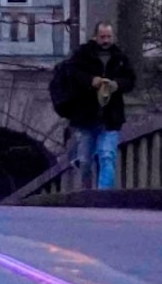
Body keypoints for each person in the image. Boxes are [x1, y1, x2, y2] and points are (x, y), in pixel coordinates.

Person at [50, 20, 135, 188]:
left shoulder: (120, 57)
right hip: (85, 117)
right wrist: (91, 81)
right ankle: (87, 194)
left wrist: (116, 84)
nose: (106, 40)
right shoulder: (82, 56)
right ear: (95, 37)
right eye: (102, 36)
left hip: (111, 118)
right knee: (86, 162)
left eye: (108, 37)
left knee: (106, 155)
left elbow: (131, 80)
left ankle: (104, 197)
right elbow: (72, 74)